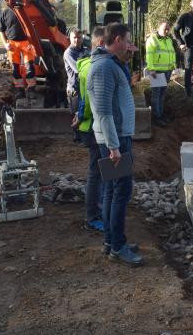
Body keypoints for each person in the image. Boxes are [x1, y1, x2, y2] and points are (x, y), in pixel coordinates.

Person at [87, 22, 142, 266]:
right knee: (120, 192)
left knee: (111, 190)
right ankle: (118, 245)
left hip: (117, 137)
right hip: (115, 139)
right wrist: (113, 146)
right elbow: (104, 111)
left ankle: (111, 242)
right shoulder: (103, 68)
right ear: (117, 39)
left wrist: (128, 57)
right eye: (127, 40)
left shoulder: (111, 64)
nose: (129, 44)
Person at [75, 26, 105, 232]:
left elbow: (83, 100)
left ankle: (99, 208)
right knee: (96, 172)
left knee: (99, 171)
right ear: (102, 44)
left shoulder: (86, 65)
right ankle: (93, 214)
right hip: (94, 127)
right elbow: (90, 102)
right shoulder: (94, 67)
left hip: (90, 125)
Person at [0, 6, 37, 99]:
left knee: (30, 67)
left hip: (27, 43)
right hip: (12, 44)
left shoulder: (28, 10)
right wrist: (5, 44)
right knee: (15, 69)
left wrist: (33, 42)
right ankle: (20, 90)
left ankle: (31, 89)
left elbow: (36, 28)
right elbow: (1, 31)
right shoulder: (6, 12)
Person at [145, 22, 176, 126]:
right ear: (159, 28)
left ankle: (161, 114)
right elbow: (149, 54)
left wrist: (173, 66)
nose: (166, 31)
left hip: (167, 70)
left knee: (162, 94)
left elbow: (171, 53)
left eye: (168, 29)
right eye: (164, 29)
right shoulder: (152, 39)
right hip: (157, 71)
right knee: (156, 94)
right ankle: (156, 117)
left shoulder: (168, 39)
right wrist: (151, 69)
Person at [63, 28, 89, 143]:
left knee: (83, 111)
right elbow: (79, 68)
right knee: (76, 112)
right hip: (74, 88)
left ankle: (83, 137)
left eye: (79, 37)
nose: (76, 40)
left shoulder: (86, 50)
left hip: (84, 86)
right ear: (70, 38)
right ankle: (77, 138)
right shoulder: (69, 53)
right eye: (74, 37)